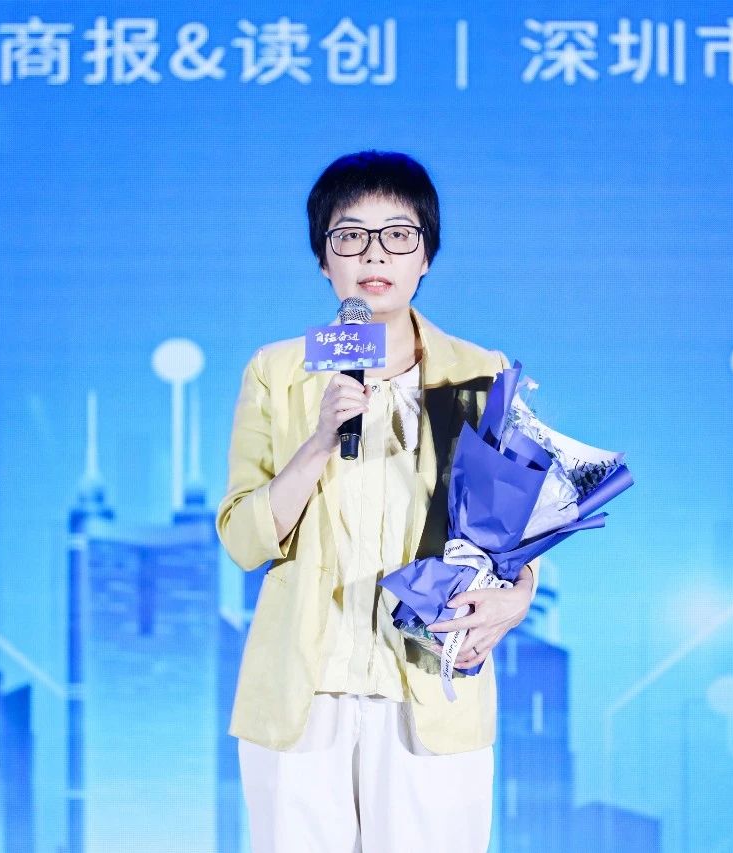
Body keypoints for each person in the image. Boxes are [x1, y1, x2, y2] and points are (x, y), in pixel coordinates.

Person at [216, 150, 539, 852]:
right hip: (302, 696)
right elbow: (242, 538)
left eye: (397, 234)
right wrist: (319, 441)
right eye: (350, 235)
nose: (374, 253)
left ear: (425, 256)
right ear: (322, 259)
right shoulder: (279, 371)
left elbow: (513, 536)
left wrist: (517, 599)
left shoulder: (479, 375)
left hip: (430, 681)